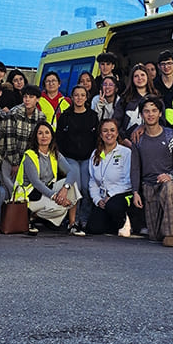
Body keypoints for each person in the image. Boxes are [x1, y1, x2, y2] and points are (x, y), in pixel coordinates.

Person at [130, 96, 173, 246]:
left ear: (160, 113)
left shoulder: (171, 135)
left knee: (169, 190)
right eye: (146, 111)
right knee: (154, 235)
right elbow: (135, 167)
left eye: (154, 111)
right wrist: (135, 192)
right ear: (141, 115)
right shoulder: (137, 138)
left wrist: (170, 175)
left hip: (169, 180)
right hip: (149, 184)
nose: (150, 114)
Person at [16, 121, 83, 235]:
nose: (44, 136)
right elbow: (36, 182)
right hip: (29, 197)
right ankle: (31, 216)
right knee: (60, 208)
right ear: (35, 137)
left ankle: (72, 224)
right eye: (40, 133)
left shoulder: (54, 153)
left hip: (47, 192)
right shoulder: (29, 155)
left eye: (47, 133)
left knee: (72, 184)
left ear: (52, 136)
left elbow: (71, 172)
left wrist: (65, 188)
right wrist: (55, 197)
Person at [56, 85, 98, 232]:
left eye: (82, 95)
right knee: (76, 187)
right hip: (70, 158)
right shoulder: (65, 117)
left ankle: (84, 219)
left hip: (87, 158)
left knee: (86, 188)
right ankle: (72, 220)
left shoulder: (93, 116)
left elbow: (96, 138)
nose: (79, 98)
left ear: (86, 98)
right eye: (76, 95)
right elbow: (59, 139)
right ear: (72, 97)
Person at [0, 84, 46, 192]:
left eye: (31, 97)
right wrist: (15, 162)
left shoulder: (41, 117)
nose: (27, 99)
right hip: (10, 157)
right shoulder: (14, 113)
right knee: (10, 187)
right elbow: (9, 139)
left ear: (37, 99)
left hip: (29, 158)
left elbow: (38, 141)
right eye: (25, 96)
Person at [86, 119, 132, 236]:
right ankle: (113, 226)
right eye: (105, 131)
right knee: (93, 229)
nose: (109, 134)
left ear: (117, 133)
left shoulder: (126, 153)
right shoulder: (95, 154)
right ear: (101, 135)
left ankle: (126, 221)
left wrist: (111, 194)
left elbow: (129, 181)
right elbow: (93, 180)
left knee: (113, 206)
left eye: (112, 130)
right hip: (103, 197)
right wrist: (97, 200)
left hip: (121, 195)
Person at [114, 64, 157, 145]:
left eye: (142, 75)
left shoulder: (156, 98)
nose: (139, 78)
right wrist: (123, 139)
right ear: (132, 79)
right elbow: (116, 122)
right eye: (136, 76)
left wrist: (145, 126)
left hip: (151, 143)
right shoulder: (125, 98)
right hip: (127, 143)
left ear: (147, 77)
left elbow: (162, 122)